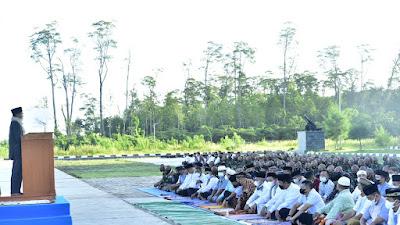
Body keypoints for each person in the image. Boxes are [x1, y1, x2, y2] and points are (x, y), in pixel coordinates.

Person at [9, 107, 25, 195]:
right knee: (17, 172)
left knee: (19, 172)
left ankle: (16, 191)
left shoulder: (17, 123)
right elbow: (19, 138)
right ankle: (15, 191)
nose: (22, 115)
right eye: (21, 113)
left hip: (20, 152)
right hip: (17, 152)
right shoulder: (15, 123)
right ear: (18, 114)